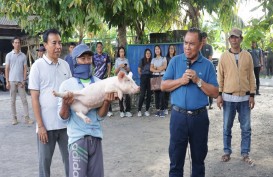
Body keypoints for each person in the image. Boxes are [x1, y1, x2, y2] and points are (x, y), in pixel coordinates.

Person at [161, 27, 219, 177]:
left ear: (200, 45)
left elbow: (215, 92)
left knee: (198, 162)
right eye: (185, 43)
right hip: (178, 117)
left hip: (199, 118)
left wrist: (198, 81)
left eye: (192, 44)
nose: (187, 47)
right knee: (175, 162)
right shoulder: (175, 61)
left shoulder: (207, 65)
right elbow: (163, 85)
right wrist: (181, 80)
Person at [58, 44, 116, 177]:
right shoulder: (67, 85)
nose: (86, 62)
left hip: (96, 138)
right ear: (74, 61)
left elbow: (100, 116)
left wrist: (107, 101)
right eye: (82, 59)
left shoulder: (99, 83)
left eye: (89, 58)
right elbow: (63, 118)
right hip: (77, 141)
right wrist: (65, 104)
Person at [28, 29, 71, 177]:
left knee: (71, 163)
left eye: (60, 42)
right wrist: (40, 126)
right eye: (54, 43)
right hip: (46, 126)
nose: (58, 46)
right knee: (44, 165)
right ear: (45, 45)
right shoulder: (37, 67)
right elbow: (34, 98)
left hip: (66, 124)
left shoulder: (65, 65)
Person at [217, 28, 256, 166]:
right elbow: (220, 76)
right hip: (228, 98)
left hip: (245, 99)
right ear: (229, 40)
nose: (234, 39)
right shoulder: (223, 56)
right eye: (232, 37)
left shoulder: (248, 56)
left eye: (236, 37)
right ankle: (227, 152)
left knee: (246, 128)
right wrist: (219, 95)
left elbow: (251, 76)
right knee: (227, 127)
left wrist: (252, 94)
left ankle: (245, 153)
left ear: (241, 39)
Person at [5, 36, 34, 125]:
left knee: (24, 100)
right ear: (13, 44)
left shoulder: (23, 56)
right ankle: (14, 118)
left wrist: (24, 80)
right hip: (12, 81)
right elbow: (7, 68)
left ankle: (27, 118)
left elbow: (25, 69)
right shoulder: (9, 55)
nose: (17, 44)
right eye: (16, 42)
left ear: (20, 44)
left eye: (18, 43)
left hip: (21, 81)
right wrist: (7, 81)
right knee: (12, 100)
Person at [92, 42, 113, 116]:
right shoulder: (93, 56)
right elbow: (92, 65)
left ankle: (109, 110)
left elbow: (109, 65)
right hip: (96, 77)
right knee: (97, 94)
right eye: (98, 47)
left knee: (106, 93)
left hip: (104, 78)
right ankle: (97, 109)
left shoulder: (106, 55)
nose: (99, 48)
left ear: (102, 47)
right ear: (96, 48)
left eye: (100, 46)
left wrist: (108, 75)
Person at [114, 46, 133, 118]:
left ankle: (128, 110)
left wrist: (125, 67)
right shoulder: (117, 60)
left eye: (123, 51)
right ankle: (121, 111)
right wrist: (119, 66)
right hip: (120, 80)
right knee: (120, 95)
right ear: (119, 53)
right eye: (120, 52)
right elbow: (115, 72)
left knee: (128, 95)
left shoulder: (126, 60)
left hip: (126, 79)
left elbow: (129, 70)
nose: (122, 53)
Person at [150, 45, 167, 117]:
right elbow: (151, 69)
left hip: (162, 76)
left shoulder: (164, 58)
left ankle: (162, 110)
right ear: (154, 51)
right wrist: (158, 68)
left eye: (158, 49)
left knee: (162, 94)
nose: (157, 50)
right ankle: (157, 110)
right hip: (155, 76)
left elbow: (164, 67)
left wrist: (155, 68)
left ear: (160, 50)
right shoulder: (153, 59)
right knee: (156, 94)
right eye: (156, 49)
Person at [201, 31, 214, 109]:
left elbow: (210, 58)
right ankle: (203, 103)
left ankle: (210, 103)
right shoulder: (198, 47)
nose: (204, 40)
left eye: (205, 38)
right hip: (200, 70)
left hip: (208, 69)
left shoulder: (209, 47)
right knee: (201, 86)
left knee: (210, 86)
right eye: (202, 38)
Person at [137, 48, 152, 117]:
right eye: (147, 53)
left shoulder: (152, 61)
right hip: (143, 78)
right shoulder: (142, 60)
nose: (148, 54)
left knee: (149, 95)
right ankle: (139, 110)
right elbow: (139, 70)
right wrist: (142, 76)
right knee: (142, 94)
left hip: (150, 78)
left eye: (149, 53)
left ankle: (146, 110)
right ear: (145, 54)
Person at [164, 44, 176, 115]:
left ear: (174, 50)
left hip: (175, 77)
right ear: (168, 50)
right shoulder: (166, 58)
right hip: (168, 77)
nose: (171, 50)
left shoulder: (176, 58)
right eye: (170, 48)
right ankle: (165, 108)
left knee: (174, 93)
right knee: (166, 94)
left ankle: (174, 107)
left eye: (172, 48)